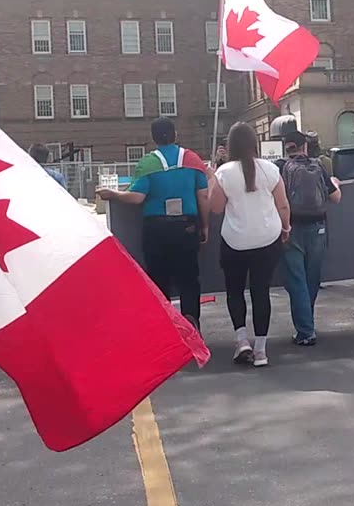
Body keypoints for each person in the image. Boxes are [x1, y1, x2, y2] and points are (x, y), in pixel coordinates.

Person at [98, 117, 209, 330]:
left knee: (159, 279)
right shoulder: (193, 160)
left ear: (153, 138)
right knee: (189, 279)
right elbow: (203, 197)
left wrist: (113, 193)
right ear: (176, 134)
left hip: (157, 229)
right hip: (187, 226)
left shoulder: (148, 163)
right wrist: (205, 226)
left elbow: (136, 197)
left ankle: (167, 329)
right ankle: (192, 324)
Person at [209, 122, 290, 367]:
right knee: (260, 291)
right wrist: (286, 227)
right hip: (267, 238)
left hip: (235, 240)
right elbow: (283, 205)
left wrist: (212, 178)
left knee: (235, 291)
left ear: (230, 145)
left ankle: (242, 340)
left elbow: (216, 208)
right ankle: (261, 351)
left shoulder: (225, 173)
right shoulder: (270, 169)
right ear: (254, 143)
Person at [278, 129, 341, 345]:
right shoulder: (319, 166)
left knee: (296, 280)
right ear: (304, 146)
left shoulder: (280, 167)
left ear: (286, 147)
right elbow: (336, 198)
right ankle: (308, 323)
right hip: (317, 227)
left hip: (292, 228)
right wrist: (335, 183)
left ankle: (305, 330)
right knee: (312, 279)